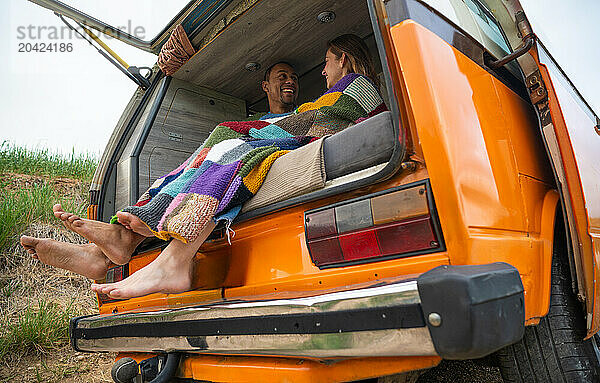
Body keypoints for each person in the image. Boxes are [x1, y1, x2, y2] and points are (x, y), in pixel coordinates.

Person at [20, 34, 386, 300]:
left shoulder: (359, 88)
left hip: (298, 138)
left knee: (228, 149)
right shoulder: (346, 88)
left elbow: (318, 122)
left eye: (325, 61)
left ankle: (158, 255)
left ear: (343, 59)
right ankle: (112, 247)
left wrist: (248, 132)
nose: (322, 71)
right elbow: (308, 121)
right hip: (285, 133)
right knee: (216, 154)